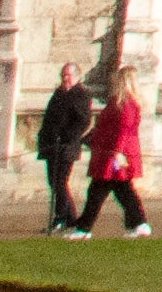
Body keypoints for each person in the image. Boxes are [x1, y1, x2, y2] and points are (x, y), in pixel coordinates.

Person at [75, 67, 150, 237]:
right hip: (110, 152)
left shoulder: (126, 104)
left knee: (99, 190)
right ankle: (139, 223)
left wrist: (117, 152)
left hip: (116, 155)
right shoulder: (118, 102)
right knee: (122, 190)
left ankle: (84, 229)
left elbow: (124, 130)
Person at [33, 69, 97, 234]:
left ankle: (61, 218)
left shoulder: (81, 95)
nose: (65, 78)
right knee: (54, 181)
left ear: (76, 77)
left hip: (67, 146)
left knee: (60, 181)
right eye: (63, 75)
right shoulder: (59, 93)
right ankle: (70, 218)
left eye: (68, 75)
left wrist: (67, 136)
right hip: (52, 145)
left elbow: (83, 121)